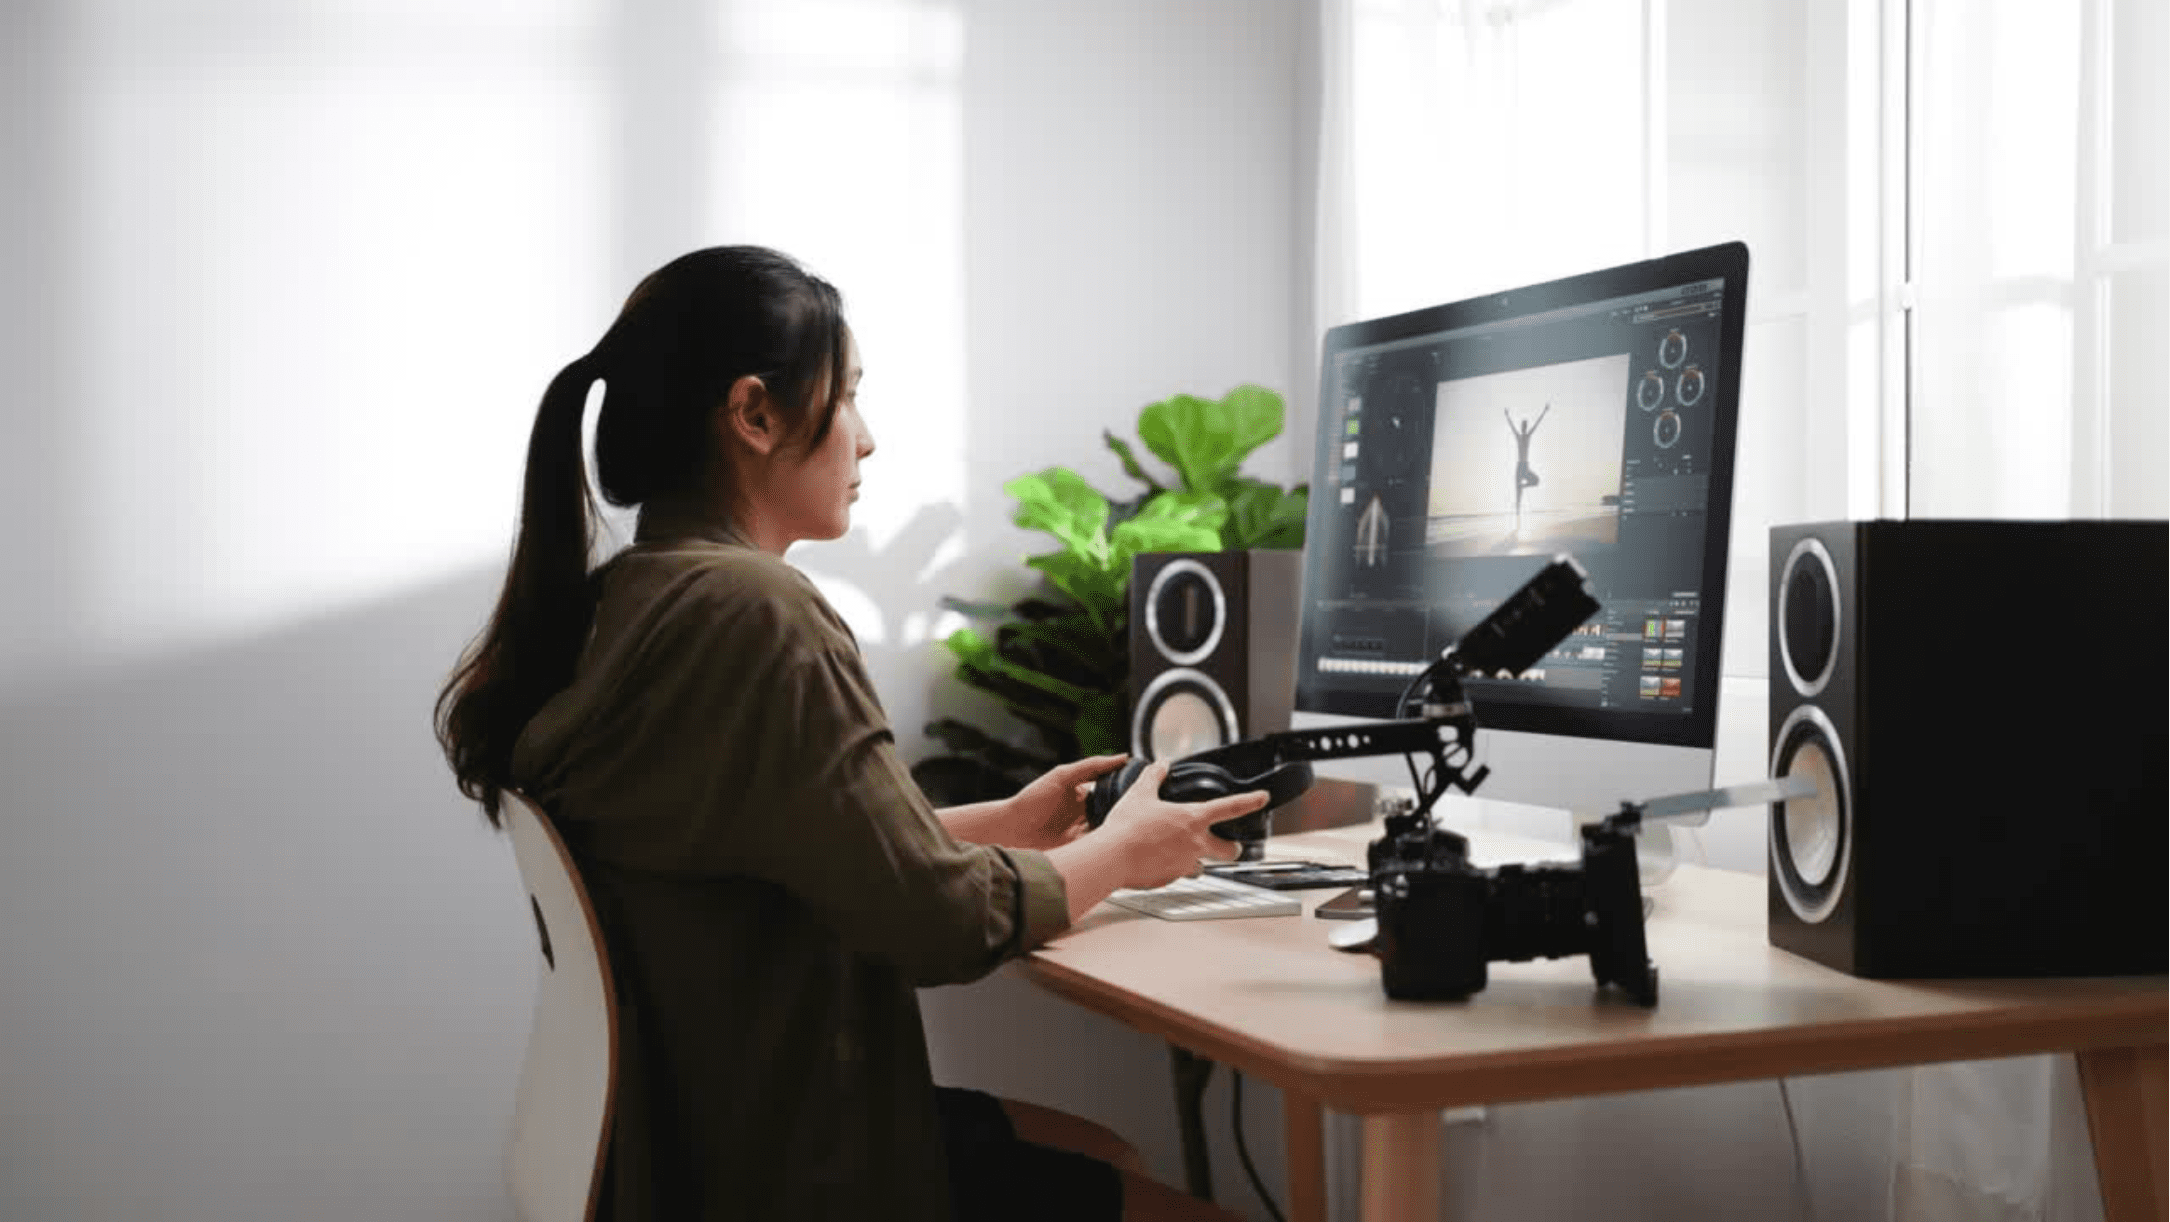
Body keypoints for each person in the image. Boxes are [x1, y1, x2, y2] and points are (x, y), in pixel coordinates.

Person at [434, 246, 1261, 1222]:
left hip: (694, 1135)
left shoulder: (633, 599)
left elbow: (756, 855)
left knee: (1100, 1150)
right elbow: (937, 926)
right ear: (753, 413)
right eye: (849, 397)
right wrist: (1124, 853)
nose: (865, 440)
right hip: (791, 1164)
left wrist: (995, 823)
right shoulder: (752, 612)